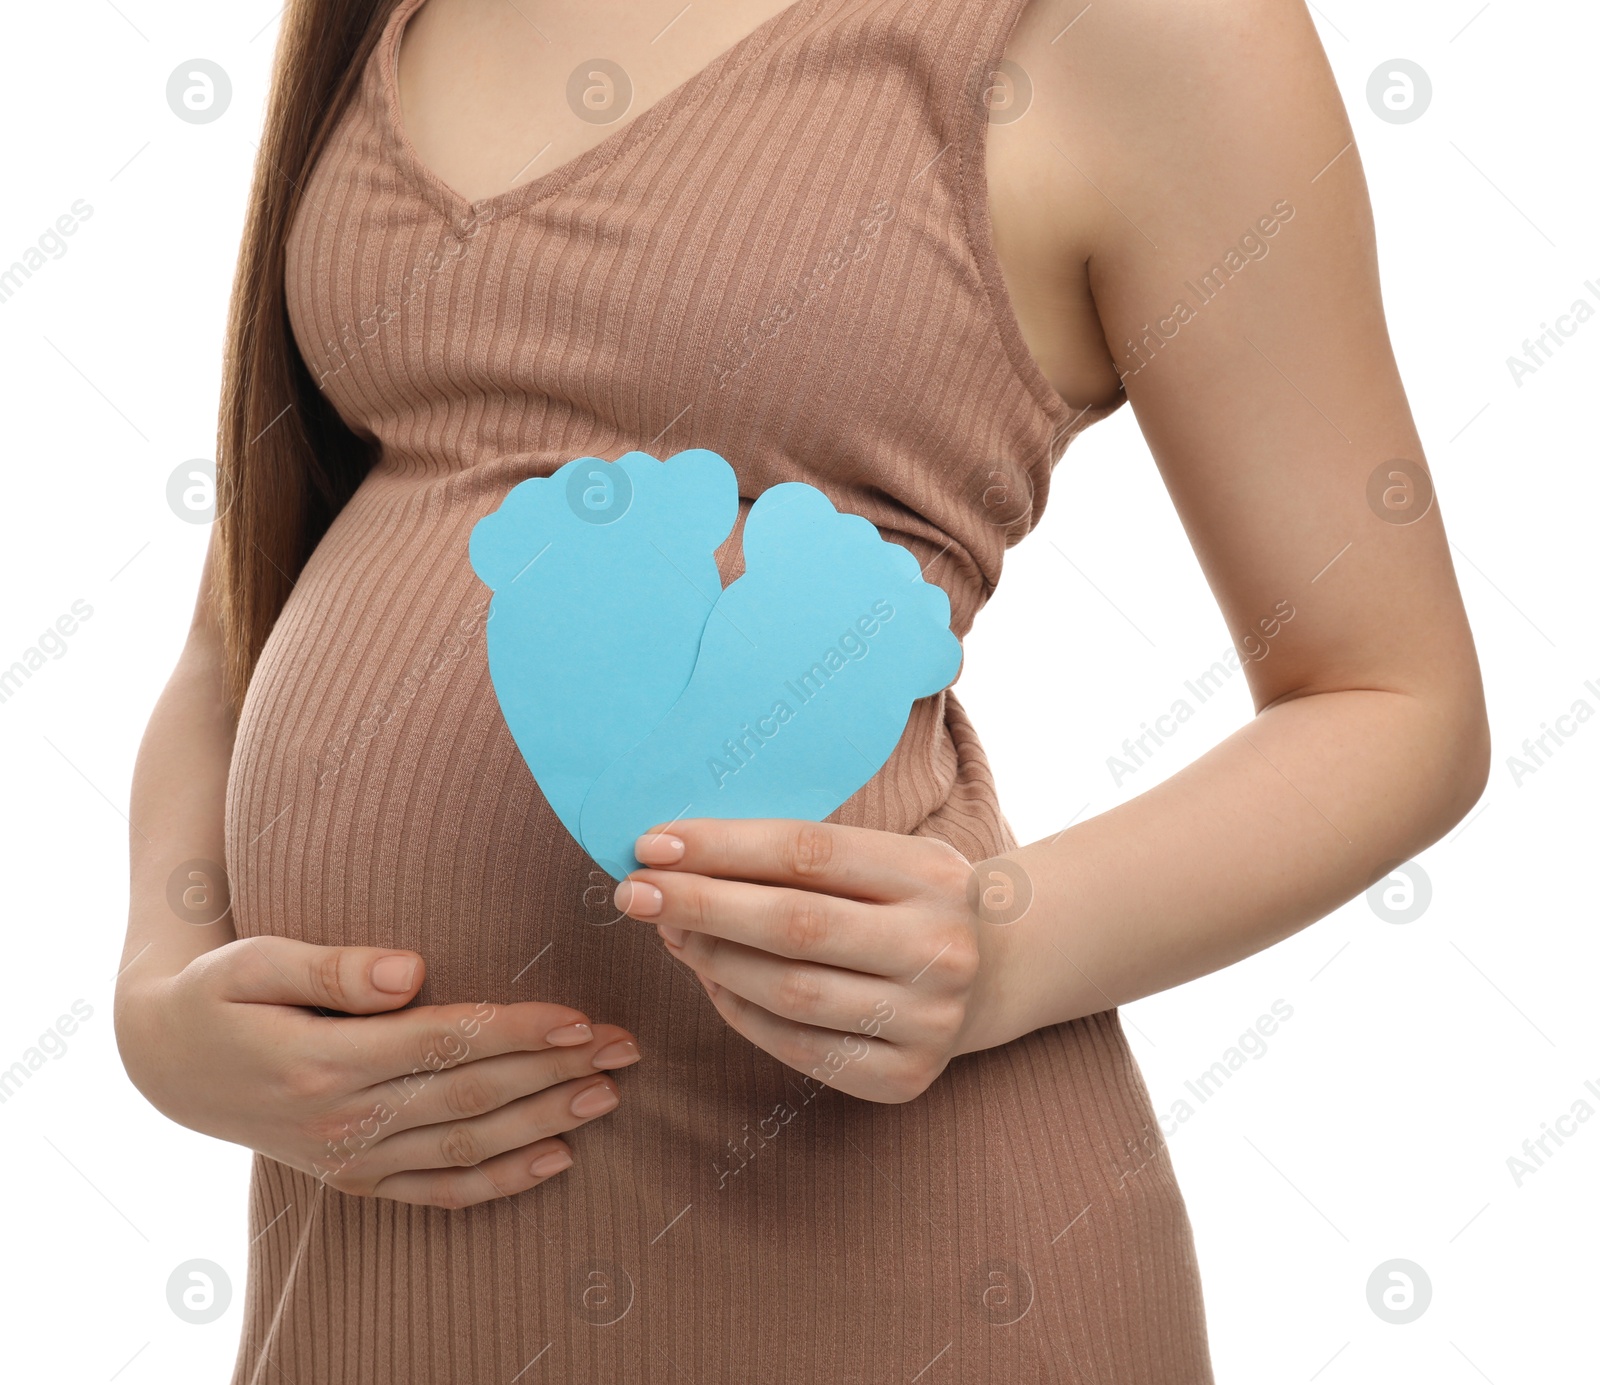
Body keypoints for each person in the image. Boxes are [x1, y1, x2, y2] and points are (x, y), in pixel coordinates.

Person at [114, 0, 1489, 1381]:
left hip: (893, 1269)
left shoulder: (1140, 29)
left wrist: (1003, 945)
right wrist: (160, 991)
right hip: (387, 1276)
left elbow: (1391, 698)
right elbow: (236, 631)